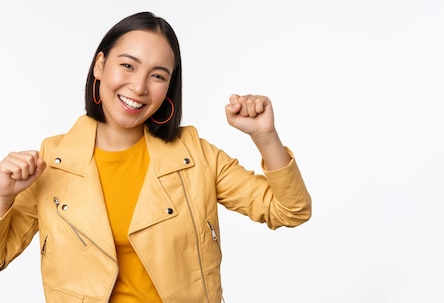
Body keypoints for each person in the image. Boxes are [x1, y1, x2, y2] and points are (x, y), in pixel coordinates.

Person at [0, 11, 311, 302]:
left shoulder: (196, 156)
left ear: (169, 87)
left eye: (158, 76)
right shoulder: (52, 161)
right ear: (99, 65)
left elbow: (289, 211)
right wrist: (3, 195)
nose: (138, 87)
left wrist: (265, 137)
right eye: (127, 65)